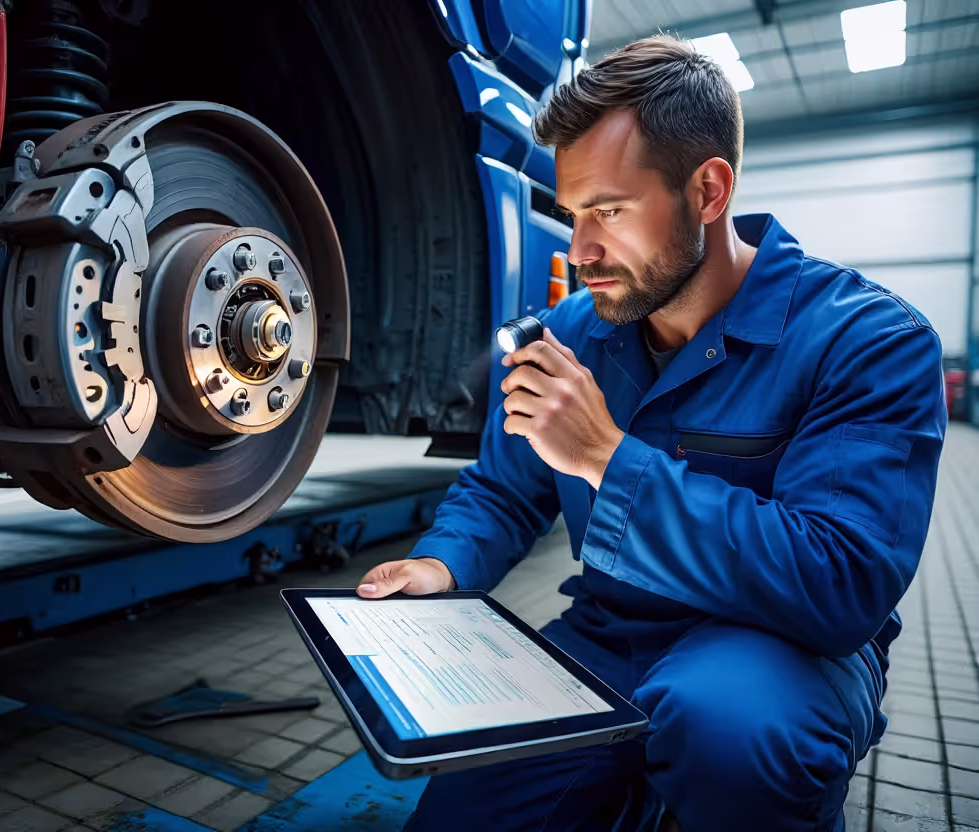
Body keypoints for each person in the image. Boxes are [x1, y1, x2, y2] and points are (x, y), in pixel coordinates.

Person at [357, 35, 946, 832]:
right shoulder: (575, 333)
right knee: (464, 811)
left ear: (707, 190)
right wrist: (441, 564)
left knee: (728, 730)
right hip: (611, 635)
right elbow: (502, 489)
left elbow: (839, 582)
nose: (580, 252)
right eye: (573, 215)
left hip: (781, 652)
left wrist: (605, 456)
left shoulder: (868, 341)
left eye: (609, 211)